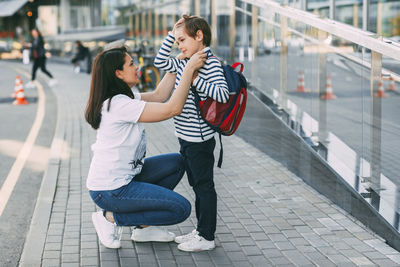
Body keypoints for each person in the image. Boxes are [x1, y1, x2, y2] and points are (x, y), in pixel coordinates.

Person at [85, 45, 206, 249]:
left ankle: (143, 228)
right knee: (180, 209)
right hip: (110, 190)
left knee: (176, 163)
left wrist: (177, 62)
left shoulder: (126, 97)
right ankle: (110, 218)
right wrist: (188, 70)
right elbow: (172, 108)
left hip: (124, 179)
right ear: (118, 73)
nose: (137, 66)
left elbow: (160, 95)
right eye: (131, 63)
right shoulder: (119, 105)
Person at [154, 15, 229, 252]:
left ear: (199, 36)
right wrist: (171, 33)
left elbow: (222, 94)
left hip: (200, 140)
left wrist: (194, 78)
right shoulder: (185, 60)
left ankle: (207, 237)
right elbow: (159, 61)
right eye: (177, 42)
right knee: (197, 185)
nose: (180, 46)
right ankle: (200, 230)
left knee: (203, 187)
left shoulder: (210, 63)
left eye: (183, 40)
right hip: (185, 136)